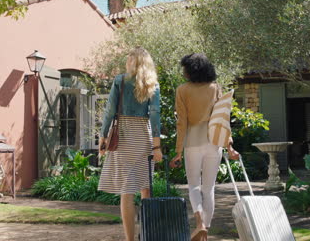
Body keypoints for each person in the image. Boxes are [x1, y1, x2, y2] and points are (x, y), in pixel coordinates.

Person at [170, 53, 239, 241]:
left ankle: (199, 223)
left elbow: (181, 122)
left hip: (192, 141)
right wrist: (229, 145)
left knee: (193, 185)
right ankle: (205, 231)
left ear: (191, 70)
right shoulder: (215, 88)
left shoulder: (182, 90)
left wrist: (178, 151)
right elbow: (223, 118)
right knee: (208, 189)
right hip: (214, 142)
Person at [98, 47, 162, 241]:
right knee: (145, 187)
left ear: (131, 62)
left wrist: (103, 137)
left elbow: (109, 110)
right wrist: (157, 146)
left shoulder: (120, 81)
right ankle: (147, 236)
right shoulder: (153, 84)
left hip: (124, 137)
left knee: (127, 191)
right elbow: (155, 115)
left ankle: (130, 239)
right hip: (143, 137)